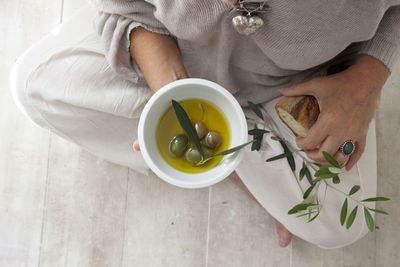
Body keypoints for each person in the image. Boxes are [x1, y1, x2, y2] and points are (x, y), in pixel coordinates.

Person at [10, 0, 399, 248]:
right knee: (34, 85)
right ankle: (238, 162)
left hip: (299, 89)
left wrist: (366, 81)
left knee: (339, 227)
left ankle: (238, 147)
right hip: (178, 53)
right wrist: (172, 95)